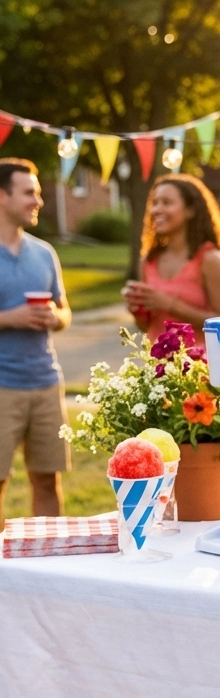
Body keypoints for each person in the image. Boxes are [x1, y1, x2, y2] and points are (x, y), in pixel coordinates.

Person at [0, 157, 72, 522]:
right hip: (2, 386)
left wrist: (53, 317)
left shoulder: (44, 253)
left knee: (47, 480)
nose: (38, 201)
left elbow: (64, 312)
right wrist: (9, 318)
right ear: (2, 196)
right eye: (29, 193)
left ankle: (49, 569)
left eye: (39, 193)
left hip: (45, 382)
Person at [123, 174, 220, 343]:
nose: (156, 210)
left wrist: (170, 304)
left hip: (199, 365)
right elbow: (146, 326)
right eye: (155, 203)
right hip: (158, 366)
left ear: (191, 210)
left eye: (166, 203)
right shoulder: (149, 260)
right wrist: (137, 311)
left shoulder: (209, 259)